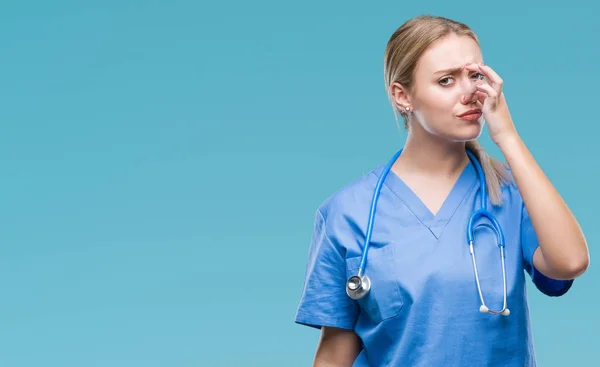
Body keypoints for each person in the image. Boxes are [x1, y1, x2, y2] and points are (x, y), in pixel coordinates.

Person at [294, 15, 590, 367]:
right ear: (403, 96)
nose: (469, 93)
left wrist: (506, 136)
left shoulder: (512, 192)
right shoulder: (347, 213)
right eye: (446, 80)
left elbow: (570, 262)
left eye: (475, 76)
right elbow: (335, 353)